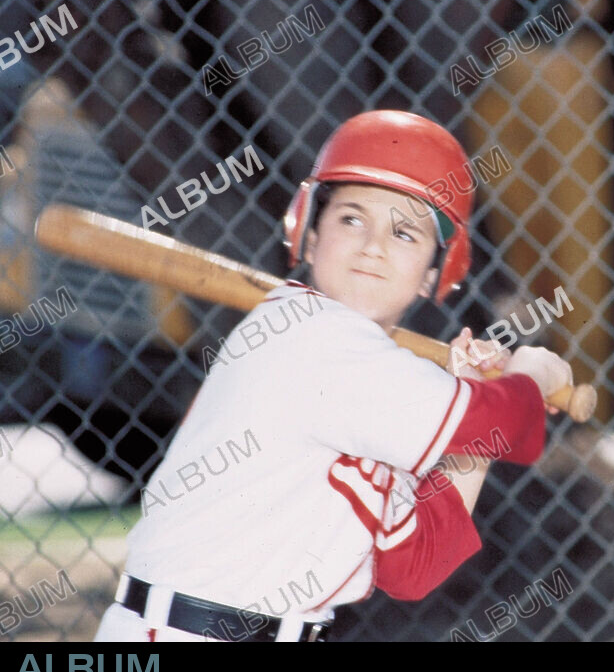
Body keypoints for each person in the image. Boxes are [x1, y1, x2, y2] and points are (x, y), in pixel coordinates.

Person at [93, 110, 572, 642]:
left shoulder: (368, 383)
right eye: (351, 218)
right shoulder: (312, 334)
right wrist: (534, 370)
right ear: (310, 236)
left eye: (405, 232)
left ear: (434, 274)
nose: (373, 245)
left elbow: (413, 568)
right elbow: (510, 425)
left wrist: (475, 427)